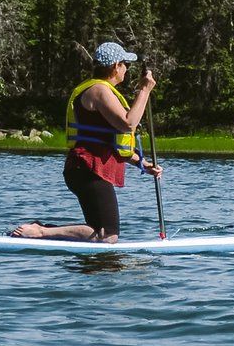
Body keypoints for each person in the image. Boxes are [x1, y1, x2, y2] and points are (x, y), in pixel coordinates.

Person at [11, 42, 163, 242]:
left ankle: (42, 231)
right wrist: (144, 91)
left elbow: (109, 141)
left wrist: (141, 163)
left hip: (89, 168)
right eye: (126, 64)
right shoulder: (99, 90)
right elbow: (127, 124)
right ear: (116, 66)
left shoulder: (102, 90)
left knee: (104, 234)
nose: (127, 69)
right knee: (107, 235)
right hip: (87, 168)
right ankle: (40, 232)